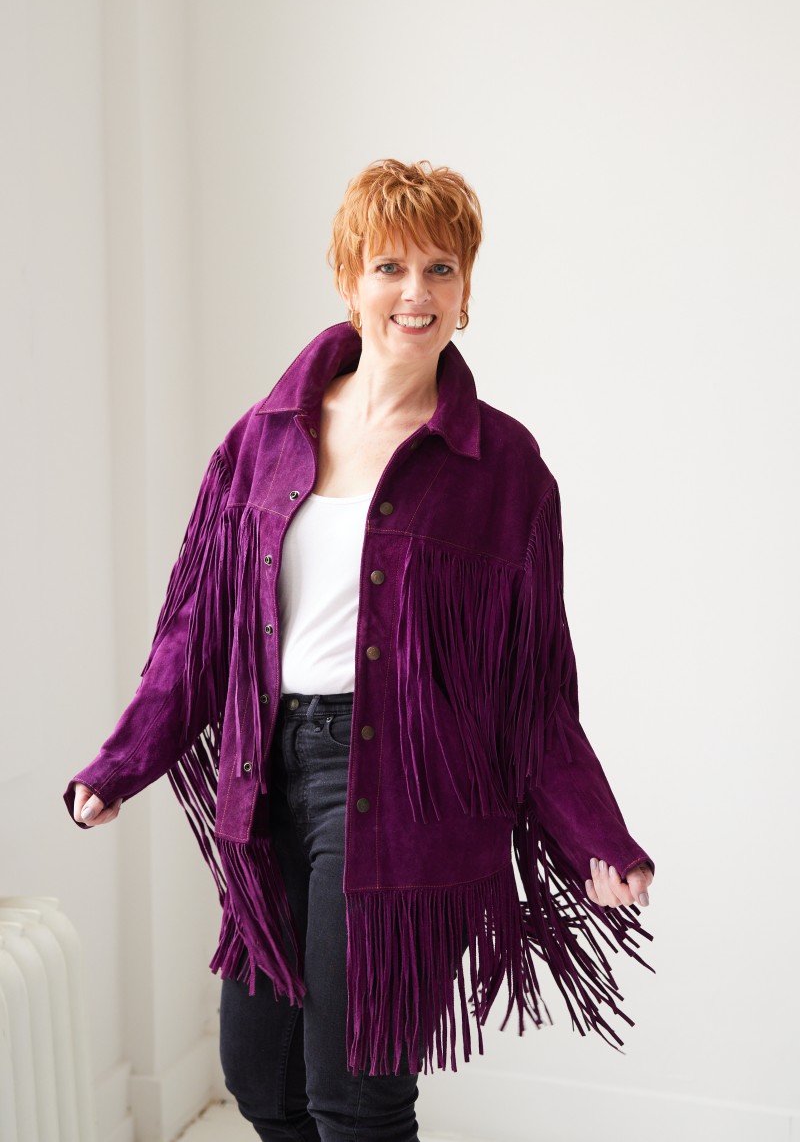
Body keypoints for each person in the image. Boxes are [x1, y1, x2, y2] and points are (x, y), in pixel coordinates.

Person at [65, 159, 655, 1141]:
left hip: (403, 790)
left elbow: (534, 687)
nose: (414, 292)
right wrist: (122, 762)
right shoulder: (261, 439)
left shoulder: (503, 467)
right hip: (266, 777)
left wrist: (596, 833)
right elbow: (195, 633)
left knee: (356, 1097)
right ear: (349, 281)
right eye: (389, 266)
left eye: (439, 268)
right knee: (262, 1079)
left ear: (465, 290)